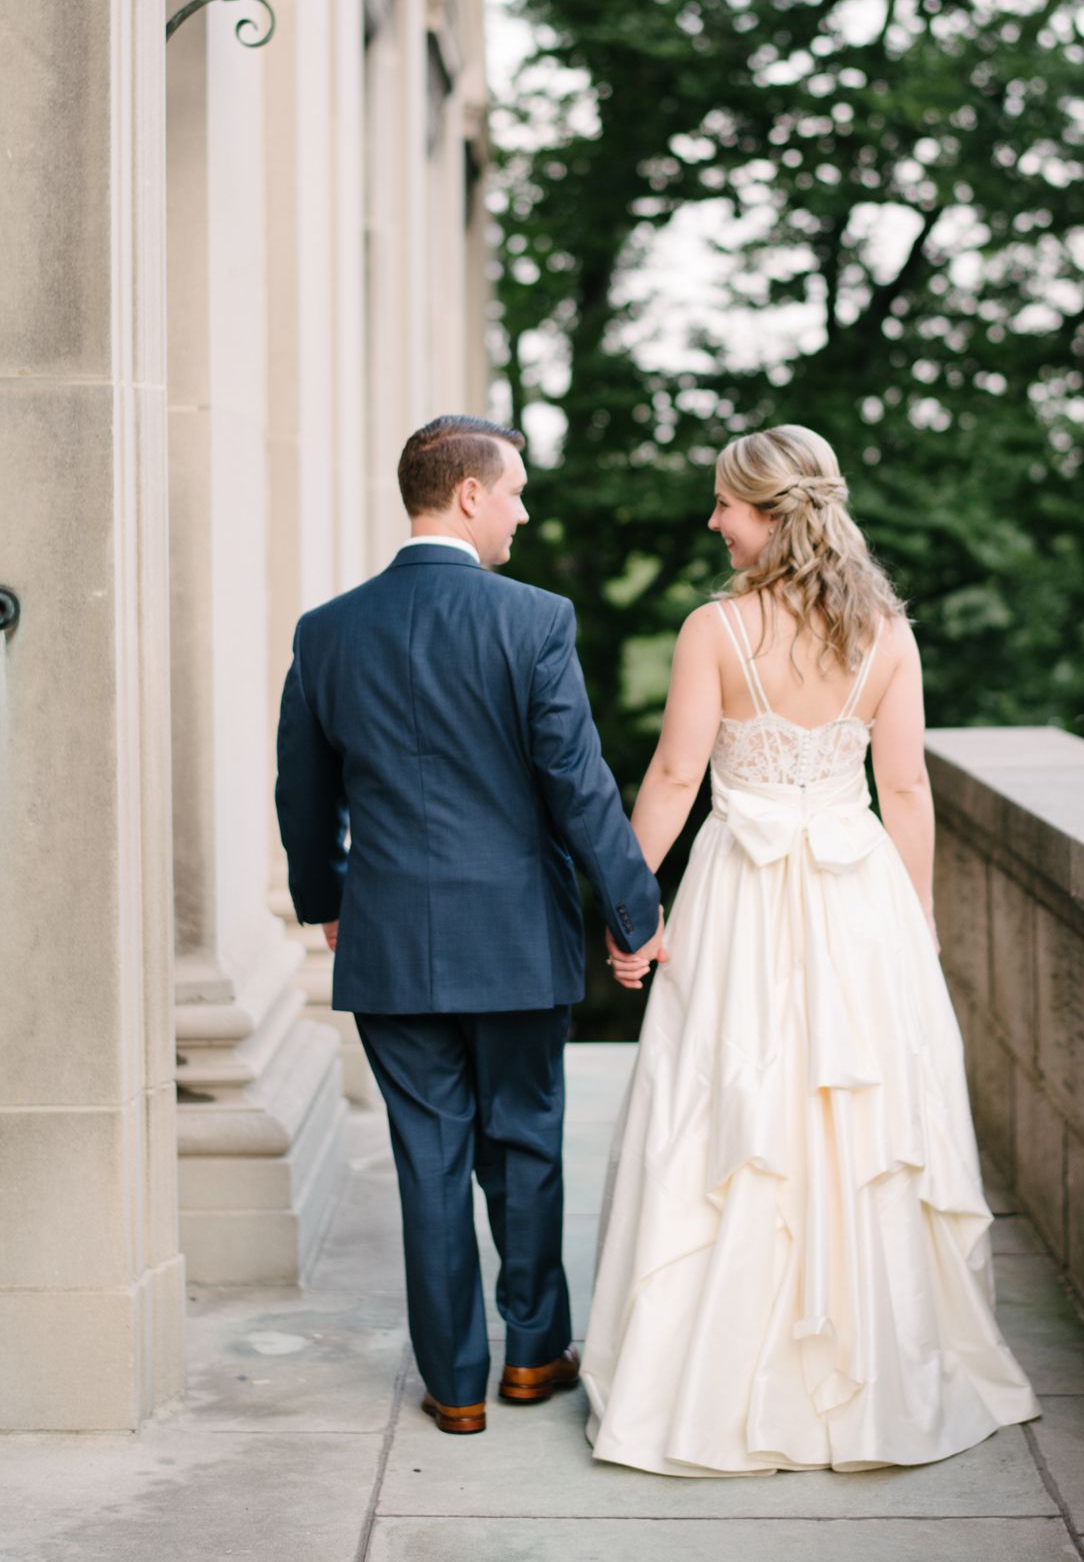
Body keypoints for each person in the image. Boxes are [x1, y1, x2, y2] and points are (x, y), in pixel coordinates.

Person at [582, 424, 1040, 1475]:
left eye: (724, 504)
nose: (711, 521)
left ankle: (704, 1378)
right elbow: (907, 788)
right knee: (851, 1119)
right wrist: (915, 919)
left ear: (769, 512)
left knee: (728, 1111)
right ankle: (862, 1378)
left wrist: (628, 905)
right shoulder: (885, 632)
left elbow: (670, 779)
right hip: (855, 900)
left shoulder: (715, 629)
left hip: (741, 895)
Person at [274, 415, 664, 1438]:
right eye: (517, 491)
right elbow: (578, 785)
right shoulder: (532, 620)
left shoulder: (328, 629)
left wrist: (325, 899)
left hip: (390, 938)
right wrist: (632, 915)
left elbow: (301, 791)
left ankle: (452, 1382)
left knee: (428, 1159)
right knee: (525, 1147)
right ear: (468, 496)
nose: (524, 511)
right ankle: (532, 1357)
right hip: (513, 938)